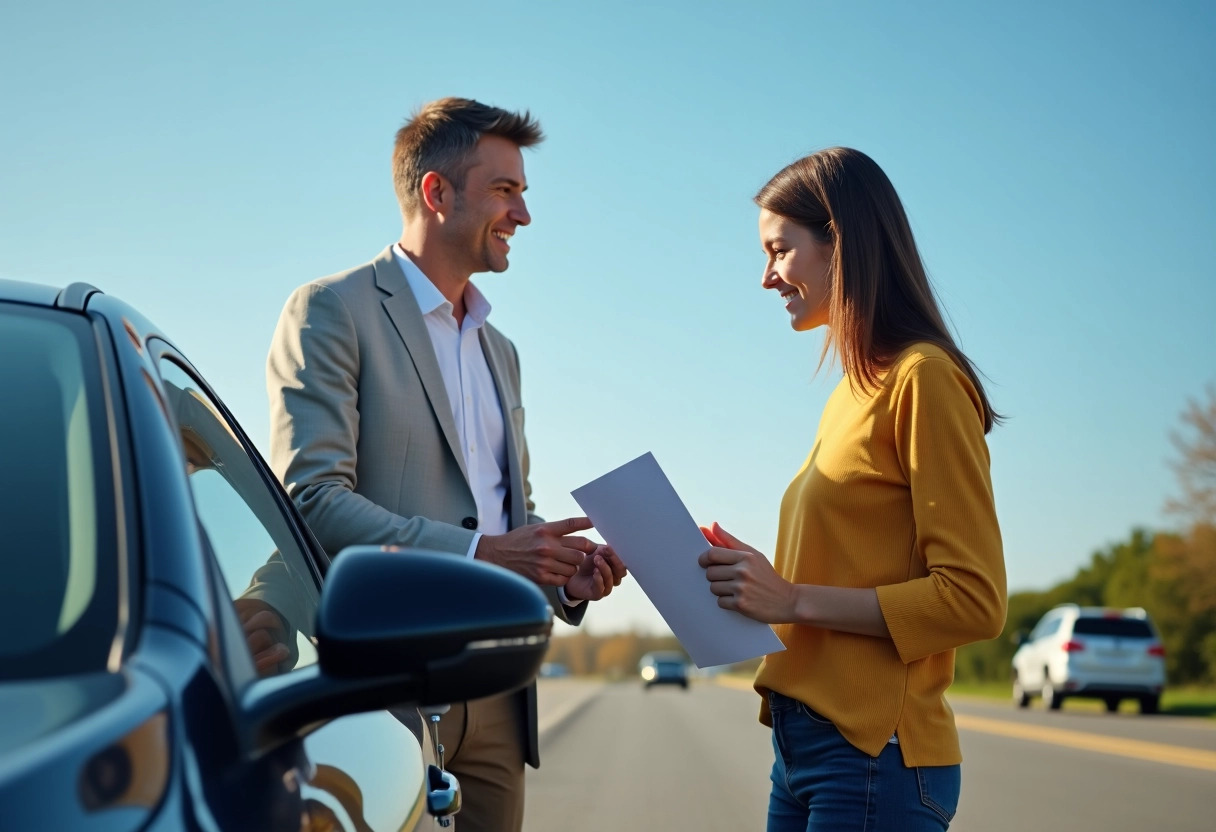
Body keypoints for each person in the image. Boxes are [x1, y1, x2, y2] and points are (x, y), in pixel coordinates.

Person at [267, 97, 626, 832]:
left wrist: (563, 576)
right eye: (505, 190)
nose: (522, 215)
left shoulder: (504, 353)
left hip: (499, 695)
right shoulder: (331, 310)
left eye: (522, 193)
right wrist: (481, 551)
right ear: (437, 193)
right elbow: (312, 499)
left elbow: (508, 512)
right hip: (383, 693)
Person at [698, 147, 1007, 832]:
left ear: (840, 240)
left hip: (875, 755)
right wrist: (754, 581)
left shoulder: (923, 379)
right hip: (802, 745)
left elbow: (974, 600)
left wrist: (793, 597)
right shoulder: (850, 393)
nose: (766, 277)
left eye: (779, 250)